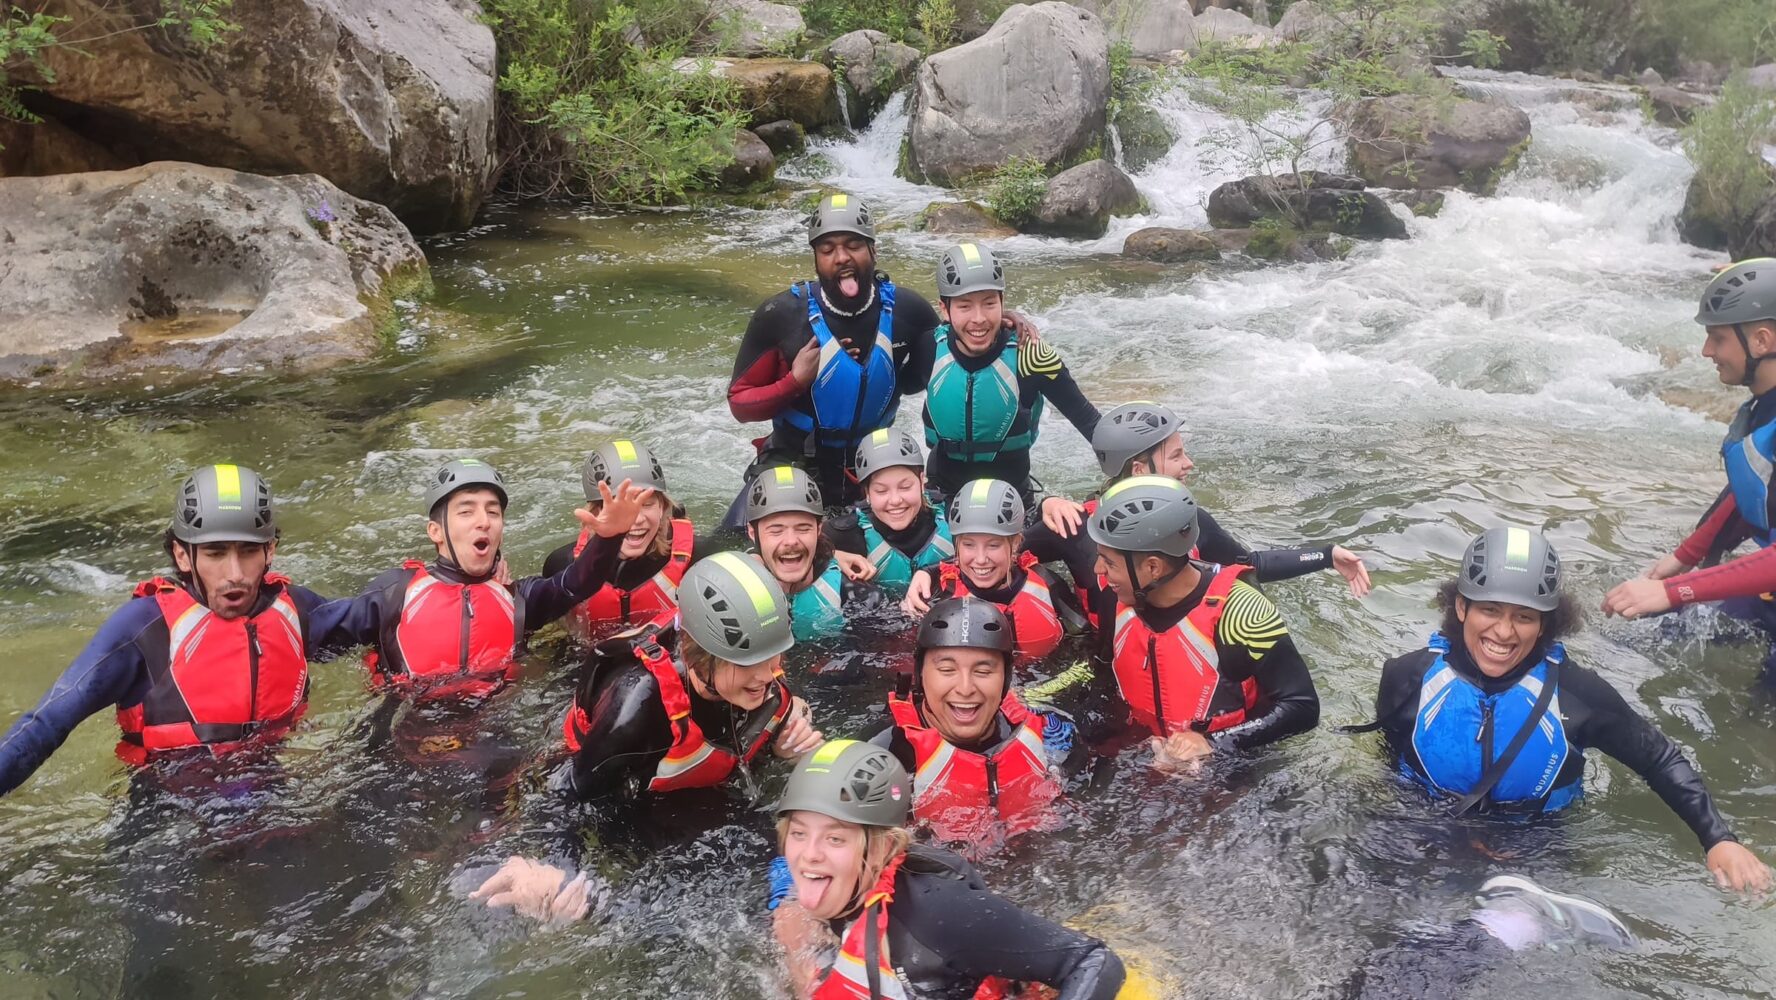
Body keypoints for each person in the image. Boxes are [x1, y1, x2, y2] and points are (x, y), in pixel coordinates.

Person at [1374, 526, 1770, 892]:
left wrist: (1719, 840)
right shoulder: (1407, 678)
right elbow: (1388, 767)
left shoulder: (1578, 695)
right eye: (1489, 610)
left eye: (1524, 617)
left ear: (1545, 624)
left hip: (1533, 848)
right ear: (1461, 607)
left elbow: (1658, 759)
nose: (1504, 632)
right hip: (1425, 828)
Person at [0, 465, 356, 793]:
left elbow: (378, 616)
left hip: (271, 786)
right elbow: (46, 723)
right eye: (215, 553)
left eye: (248, 551)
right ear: (183, 555)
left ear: (270, 550)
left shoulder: (295, 611)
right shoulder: (143, 630)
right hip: (170, 809)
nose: (235, 572)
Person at [770, 740, 1132, 999]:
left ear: (881, 848)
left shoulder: (938, 915)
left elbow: (1095, 960)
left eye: (835, 839)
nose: (808, 856)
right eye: (799, 833)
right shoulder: (814, 907)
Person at [343, 459, 652, 699]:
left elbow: (577, 583)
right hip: (405, 727)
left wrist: (609, 537)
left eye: (493, 512)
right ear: (435, 531)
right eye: (466, 512)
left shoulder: (519, 599)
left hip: (490, 731)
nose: (483, 522)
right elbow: (316, 630)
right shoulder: (394, 593)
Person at [1602, 260, 1776, 672]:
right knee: (1659, 634)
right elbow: (1759, 483)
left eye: (1717, 338)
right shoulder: (1764, 407)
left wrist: (1676, 590)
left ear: (1762, 341)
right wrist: (1684, 556)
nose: (1706, 352)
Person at [726, 193, 943, 515]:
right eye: (828, 250)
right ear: (816, 259)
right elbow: (740, 406)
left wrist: (1005, 322)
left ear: (873, 249)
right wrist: (795, 381)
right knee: (734, 543)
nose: (841, 257)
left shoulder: (909, 313)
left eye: (853, 245)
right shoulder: (782, 315)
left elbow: (961, 347)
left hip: (874, 463)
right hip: (796, 458)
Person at [1086, 477, 1320, 770]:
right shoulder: (1116, 598)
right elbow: (1103, 670)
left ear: (1153, 567)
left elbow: (1302, 707)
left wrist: (1214, 743)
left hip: (1229, 767)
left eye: (1108, 562)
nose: (1098, 570)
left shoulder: (1243, 612)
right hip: (1144, 751)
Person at [920, 242, 1104, 605]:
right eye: (965, 305)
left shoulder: (1030, 354)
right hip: (944, 504)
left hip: (1014, 509)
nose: (978, 319)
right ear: (944, 309)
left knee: (1079, 535)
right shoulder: (927, 349)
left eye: (989, 303)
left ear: (1003, 304)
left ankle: (1099, 638)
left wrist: (1136, 473)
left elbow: (1088, 420)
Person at [560, 551, 823, 800]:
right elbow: (575, 794)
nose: (767, 676)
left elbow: (783, 712)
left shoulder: (757, 648)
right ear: (701, 656)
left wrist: (783, 746)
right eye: (746, 664)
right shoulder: (639, 706)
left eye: (772, 657)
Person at [1090, 400, 1370, 597]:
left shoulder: (1192, 522)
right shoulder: (1076, 525)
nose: (1189, 464)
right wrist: (1052, 501)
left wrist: (1326, 555)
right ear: (1139, 471)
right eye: (1176, 456)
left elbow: (1248, 564)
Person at [871, 598, 1078, 852]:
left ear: (1006, 678)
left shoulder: (1051, 735)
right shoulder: (884, 758)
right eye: (947, 670)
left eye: (983, 671)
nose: (966, 689)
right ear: (921, 675)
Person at [542, 440, 708, 643]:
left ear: (663, 507)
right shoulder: (563, 566)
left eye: (646, 504)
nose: (636, 519)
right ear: (595, 512)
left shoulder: (700, 558)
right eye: (620, 507)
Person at [901, 479, 1086, 660]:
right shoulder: (935, 593)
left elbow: (1083, 649)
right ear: (956, 545)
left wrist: (1035, 692)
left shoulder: (1049, 586)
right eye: (968, 544)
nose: (981, 559)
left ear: (1016, 543)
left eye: (993, 545)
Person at [823, 427, 953, 598]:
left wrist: (933, 572)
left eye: (905, 487)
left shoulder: (954, 516)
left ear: (922, 482)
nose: (895, 500)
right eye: (881, 491)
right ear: (867, 493)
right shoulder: (847, 533)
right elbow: (792, 551)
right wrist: (830, 555)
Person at [747, 465, 872, 641]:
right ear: (753, 534)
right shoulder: (734, 594)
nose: (791, 541)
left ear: (818, 530)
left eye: (803, 528)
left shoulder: (856, 597)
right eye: (776, 531)